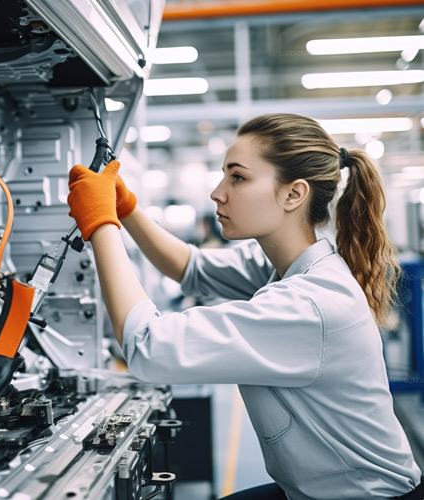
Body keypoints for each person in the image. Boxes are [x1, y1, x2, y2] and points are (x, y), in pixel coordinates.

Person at [67, 113, 423, 500]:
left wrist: (100, 224)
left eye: (238, 177)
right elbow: (192, 268)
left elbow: (147, 347)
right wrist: (125, 208)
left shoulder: (308, 305)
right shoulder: (291, 265)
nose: (218, 193)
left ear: (294, 194)